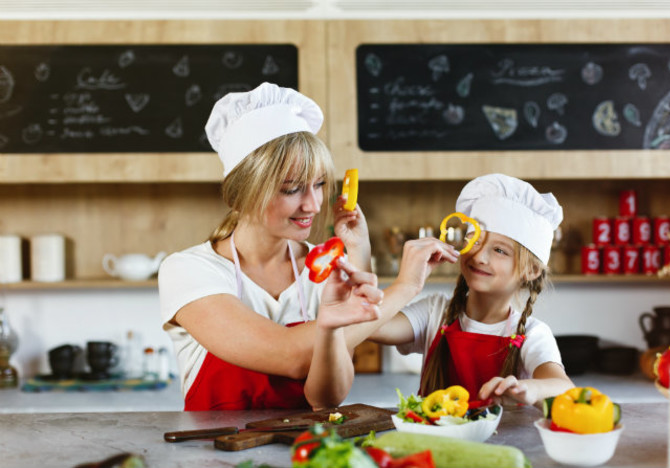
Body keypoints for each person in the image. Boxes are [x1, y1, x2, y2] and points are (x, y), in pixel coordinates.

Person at [158, 82, 385, 411]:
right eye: (292, 189)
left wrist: (359, 255)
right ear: (243, 193)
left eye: (319, 184)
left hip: (305, 455)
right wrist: (407, 285)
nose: (313, 205)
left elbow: (329, 398)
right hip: (211, 456)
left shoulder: (327, 271)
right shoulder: (189, 270)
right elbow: (292, 357)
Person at [371, 173, 574, 406]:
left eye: (500, 250)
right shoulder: (434, 312)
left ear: (531, 271)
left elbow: (563, 388)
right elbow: (371, 326)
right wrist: (405, 285)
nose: (479, 256)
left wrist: (529, 388)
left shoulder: (532, 333)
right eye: (474, 240)